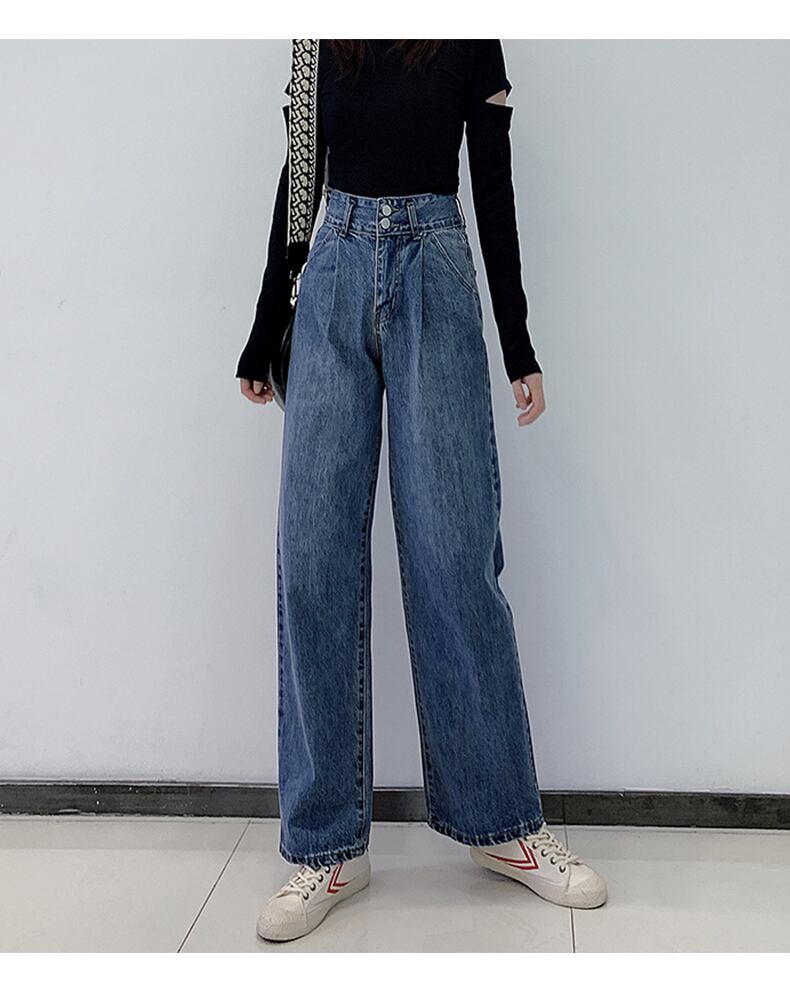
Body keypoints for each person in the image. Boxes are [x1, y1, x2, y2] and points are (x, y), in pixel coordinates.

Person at [236, 39, 607, 943]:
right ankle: (326, 845)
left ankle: (502, 824)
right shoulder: (318, 39)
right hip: (331, 279)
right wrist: (264, 326)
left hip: (435, 272)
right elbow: (298, 182)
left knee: (454, 555)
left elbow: (493, 188)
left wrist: (518, 344)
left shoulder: (470, 35)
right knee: (312, 562)